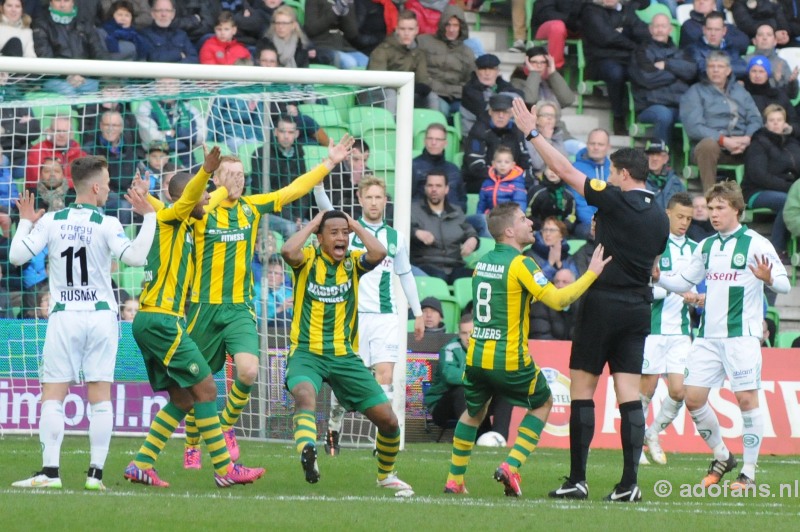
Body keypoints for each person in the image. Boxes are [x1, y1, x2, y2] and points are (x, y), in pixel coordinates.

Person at [513, 97, 670, 502]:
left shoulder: (616, 198)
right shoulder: (662, 215)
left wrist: (534, 132)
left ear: (622, 173)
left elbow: (565, 170)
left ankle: (578, 479)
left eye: (615, 173)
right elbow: (653, 262)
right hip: (639, 307)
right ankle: (629, 484)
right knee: (629, 395)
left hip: (603, 302)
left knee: (583, 389)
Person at [181, 136, 355, 469]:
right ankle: (191, 445)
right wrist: (211, 179)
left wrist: (328, 163)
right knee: (197, 384)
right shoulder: (201, 213)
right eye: (230, 175)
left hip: (239, 309)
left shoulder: (252, 206)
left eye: (241, 174)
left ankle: (226, 425)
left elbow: (292, 190)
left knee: (247, 372)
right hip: (204, 308)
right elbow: (190, 201)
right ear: (215, 179)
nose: (238, 180)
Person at [9, 156, 157, 490]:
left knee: (53, 394)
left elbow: (16, 257)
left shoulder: (53, 221)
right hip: (102, 316)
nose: (108, 188)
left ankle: (50, 473)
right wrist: (149, 217)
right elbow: (134, 258)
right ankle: (95, 476)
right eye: (105, 183)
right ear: (94, 187)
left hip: (65, 316)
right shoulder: (107, 224)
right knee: (100, 394)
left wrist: (25, 222)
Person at [443, 202, 611, 497]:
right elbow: (559, 301)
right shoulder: (521, 263)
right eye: (523, 220)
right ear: (509, 230)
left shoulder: (481, 263)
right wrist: (591, 274)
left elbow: (507, 300)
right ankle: (512, 464)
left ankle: (454, 480)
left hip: (478, 357)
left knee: (474, 412)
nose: (530, 224)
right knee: (543, 403)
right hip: (508, 357)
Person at [123, 147, 265, 487]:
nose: (210, 201)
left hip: (155, 321)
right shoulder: (175, 216)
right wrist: (206, 171)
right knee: (204, 389)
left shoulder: (181, 222)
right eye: (205, 196)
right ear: (189, 197)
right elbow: (186, 198)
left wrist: (150, 198)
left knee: (185, 397)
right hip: (160, 320)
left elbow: (184, 202)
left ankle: (142, 463)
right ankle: (225, 470)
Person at [654, 180, 790, 489]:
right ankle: (723, 455)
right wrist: (661, 277)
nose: (713, 214)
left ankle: (750, 473)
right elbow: (683, 281)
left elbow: (785, 284)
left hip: (741, 337)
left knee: (746, 400)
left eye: (720, 208)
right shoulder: (707, 246)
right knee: (693, 398)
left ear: (737, 210)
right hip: (707, 338)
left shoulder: (756, 243)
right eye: (711, 208)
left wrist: (770, 279)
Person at [281, 209, 412, 491]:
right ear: (319, 237)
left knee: (388, 421)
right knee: (305, 396)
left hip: (344, 357)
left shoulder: (353, 263)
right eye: (334, 232)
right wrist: (315, 224)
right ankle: (308, 453)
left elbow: (378, 252)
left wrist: (355, 225)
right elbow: (287, 250)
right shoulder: (307, 260)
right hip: (307, 352)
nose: (342, 237)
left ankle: (386, 475)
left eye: (345, 233)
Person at [315, 176, 425, 454]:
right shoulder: (349, 233)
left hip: (386, 317)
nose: (374, 202)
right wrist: (318, 186)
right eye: (369, 197)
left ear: (385, 201)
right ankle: (333, 430)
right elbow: (329, 213)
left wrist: (418, 312)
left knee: (385, 376)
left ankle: (382, 440)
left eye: (379, 197)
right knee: (345, 383)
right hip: (352, 317)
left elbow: (406, 275)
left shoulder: (395, 238)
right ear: (360, 200)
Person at [639, 192, 699, 465]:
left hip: (680, 332)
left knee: (679, 391)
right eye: (680, 216)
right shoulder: (653, 245)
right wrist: (673, 290)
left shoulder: (695, 249)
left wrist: (695, 297)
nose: (684, 222)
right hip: (653, 329)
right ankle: (635, 443)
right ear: (668, 214)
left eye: (688, 217)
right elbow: (645, 286)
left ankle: (652, 434)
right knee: (647, 389)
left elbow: (694, 286)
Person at [680, 51, 762, 193]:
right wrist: (723, 140)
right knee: (708, 145)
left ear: (728, 70)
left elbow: (755, 119)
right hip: (711, 148)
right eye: (712, 66)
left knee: (762, 143)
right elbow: (694, 127)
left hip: (741, 145)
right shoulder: (695, 92)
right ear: (706, 70)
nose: (716, 70)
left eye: (720, 66)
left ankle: (754, 197)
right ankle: (710, 197)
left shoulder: (740, 91)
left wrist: (747, 138)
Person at [580, 0, 649, 135]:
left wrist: (624, 31)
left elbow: (643, 32)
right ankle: (618, 116)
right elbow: (606, 37)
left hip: (626, 57)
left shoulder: (627, 10)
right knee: (616, 73)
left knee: (644, 70)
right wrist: (630, 41)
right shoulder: (591, 10)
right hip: (600, 59)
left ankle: (642, 114)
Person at [629, 13, 698, 144]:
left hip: (678, 105)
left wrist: (667, 65)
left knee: (697, 115)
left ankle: (689, 160)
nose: (660, 30)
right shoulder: (641, 51)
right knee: (664, 115)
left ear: (670, 29)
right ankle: (659, 158)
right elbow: (647, 78)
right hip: (650, 106)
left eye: (663, 26)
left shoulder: (681, 52)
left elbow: (691, 71)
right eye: (656, 26)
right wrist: (677, 73)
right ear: (650, 29)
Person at [742, 103, 800, 257]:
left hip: (787, 188)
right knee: (788, 201)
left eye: (779, 120)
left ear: (785, 123)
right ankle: (776, 250)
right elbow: (759, 176)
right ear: (766, 123)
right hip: (755, 192)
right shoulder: (758, 143)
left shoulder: (793, 143)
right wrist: (792, 188)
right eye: (771, 120)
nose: (775, 123)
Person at [410, 171, 478, 283]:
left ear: (447, 189)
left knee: (482, 277)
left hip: (455, 266)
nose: (434, 189)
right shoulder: (414, 210)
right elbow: (401, 230)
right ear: (425, 188)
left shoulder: (457, 211)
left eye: (438, 186)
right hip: (426, 265)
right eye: (430, 185)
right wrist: (416, 232)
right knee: (439, 278)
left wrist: (473, 239)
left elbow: (469, 230)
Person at [31, 0, 109, 95]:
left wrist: (106, 82)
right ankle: (75, 110)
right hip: (55, 79)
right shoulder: (41, 24)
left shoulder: (85, 23)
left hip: (85, 78)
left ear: (73, 3)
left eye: (66, 1)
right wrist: (67, 76)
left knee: (102, 90)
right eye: (58, 1)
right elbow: (44, 57)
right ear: (50, 2)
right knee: (67, 90)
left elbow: (98, 52)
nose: (62, 4)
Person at [463, 93, 532, 194]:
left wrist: (523, 181)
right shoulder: (478, 131)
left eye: (505, 112)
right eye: (497, 111)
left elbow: (525, 161)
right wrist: (504, 179)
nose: (501, 116)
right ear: (490, 111)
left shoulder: (517, 131)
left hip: (512, 181)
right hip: (480, 182)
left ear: (511, 113)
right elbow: (475, 166)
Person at [367, 10, 432, 112]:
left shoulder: (419, 53)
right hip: (377, 95)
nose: (406, 33)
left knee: (432, 97)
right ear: (397, 29)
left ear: (416, 30)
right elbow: (376, 81)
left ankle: (431, 128)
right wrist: (404, 87)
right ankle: (389, 127)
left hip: (404, 93)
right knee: (390, 94)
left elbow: (423, 82)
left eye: (410, 29)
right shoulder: (382, 50)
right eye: (402, 29)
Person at [417, 5, 474, 119]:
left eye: (455, 25)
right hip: (429, 93)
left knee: (469, 111)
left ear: (461, 27)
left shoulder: (467, 52)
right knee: (441, 108)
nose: (451, 29)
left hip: (456, 97)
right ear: (442, 25)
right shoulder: (424, 42)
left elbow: (469, 81)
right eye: (448, 24)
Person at [87, 110, 138, 225]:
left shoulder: (130, 147)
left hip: (125, 194)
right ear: (100, 126)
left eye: (115, 125)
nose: (111, 129)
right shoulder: (90, 148)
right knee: (123, 206)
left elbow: (136, 169)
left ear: (121, 128)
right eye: (107, 125)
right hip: (99, 195)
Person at [460, 54, 523, 138]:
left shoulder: (504, 86)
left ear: (498, 71)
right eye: (483, 69)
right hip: (475, 134)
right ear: (476, 71)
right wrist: (507, 105)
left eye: (491, 69)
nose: (487, 73)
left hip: (502, 132)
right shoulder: (469, 89)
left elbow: (519, 100)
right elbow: (484, 113)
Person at [411, 123, 467, 211]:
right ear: (424, 141)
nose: (433, 143)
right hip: (423, 220)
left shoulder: (454, 169)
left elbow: (463, 201)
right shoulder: (413, 167)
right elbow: (407, 201)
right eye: (430, 138)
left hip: (454, 219)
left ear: (445, 143)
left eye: (438, 139)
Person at [25, 116, 88, 191]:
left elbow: (85, 181)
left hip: (72, 194)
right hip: (42, 196)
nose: (61, 135)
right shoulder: (37, 151)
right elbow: (35, 181)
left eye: (65, 131)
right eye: (57, 131)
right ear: (49, 132)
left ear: (71, 134)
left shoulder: (81, 154)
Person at [570, 129, 611, 240]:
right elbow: (579, 202)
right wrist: (595, 223)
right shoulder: (576, 168)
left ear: (608, 147)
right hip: (585, 223)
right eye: (592, 143)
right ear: (587, 144)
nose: (596, 147)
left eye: (600, 144)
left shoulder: (613, 169)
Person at [743, 54, 800, 133]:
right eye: (753, 71)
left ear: (768, 74)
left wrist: (790, 128)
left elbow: (794, 121)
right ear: (748, 74)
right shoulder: (741, 95)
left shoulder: (779, 95)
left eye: (761, 71)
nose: (757, 75)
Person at [687, 12, 748, 79]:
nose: (713, 33)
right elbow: (703, 71)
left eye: (717, 30)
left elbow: (743, 68)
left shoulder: (730, 47)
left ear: (724, 31)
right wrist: (726, 69)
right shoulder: (694, 49)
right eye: (709, 29)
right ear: (704, 30)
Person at [744, 23, 798, 98]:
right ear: (754, 41)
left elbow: (792, 95)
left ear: (775, 41)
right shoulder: (745, 61)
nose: (764, 38)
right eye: (760, 35)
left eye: (769, 35)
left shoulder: (781, 63)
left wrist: (792, 82)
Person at [529, 268, 581, 340]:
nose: (560, 285)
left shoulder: (580, 306)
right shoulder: (541, 305)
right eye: (557, 282)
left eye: (565, 282)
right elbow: (540, 335)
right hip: (548, 349)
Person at [476, 146, 527, 217]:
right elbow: (482, 204)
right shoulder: (487, 183)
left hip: (509, 219)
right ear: (493, 164)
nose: (502, 165)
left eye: (506, 162)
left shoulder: (517, 183)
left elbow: (520, 204)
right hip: (491, 218)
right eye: (499, 161)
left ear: (512, 165)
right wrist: (480, 218)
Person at [530, 0, 583, 69]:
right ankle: (554, 69)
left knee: (593, 25)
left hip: (573, 27)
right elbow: (546, 14)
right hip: (547, 25)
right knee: (557, 27)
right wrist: (570, 20)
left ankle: (593, 72)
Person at [680, 0, 750, 52]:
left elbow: (744, 42)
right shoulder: (688, 26)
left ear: (714, 4)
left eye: (706, 0)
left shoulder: (726, 24)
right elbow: (706, 42)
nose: (701, 1)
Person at [526, 216, 578, 281]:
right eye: (545, 230)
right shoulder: (530, 255)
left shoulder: (568, 257)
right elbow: (535, 282)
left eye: (552, 230)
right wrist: (550, 263)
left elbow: (575, 281)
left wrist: (559, 264)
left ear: (561, 235)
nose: (547, 234)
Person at [526, 165, 576, 232]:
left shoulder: (568, 195)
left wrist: (562, 228)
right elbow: (529, 214)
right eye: (550, 169)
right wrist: (544, 227)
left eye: (557, 170)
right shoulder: (536, 191)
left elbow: (571, 216)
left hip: (561, 232)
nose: (553, 172)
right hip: (538, 231)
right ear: (545, 171)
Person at [644, 139, 686, 210]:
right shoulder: (639, 181)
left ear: (666, 158)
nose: (654, 158)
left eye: (658, 154)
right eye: (651, 154)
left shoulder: (675, 182)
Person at [265, 253, 293, 328]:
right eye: (269, 272)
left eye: (276, 273)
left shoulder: (289, 294)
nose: (272, 275)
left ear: (283, 278)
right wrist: (279, 309)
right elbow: (258, 319)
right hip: (267, 331)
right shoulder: (257, 291)